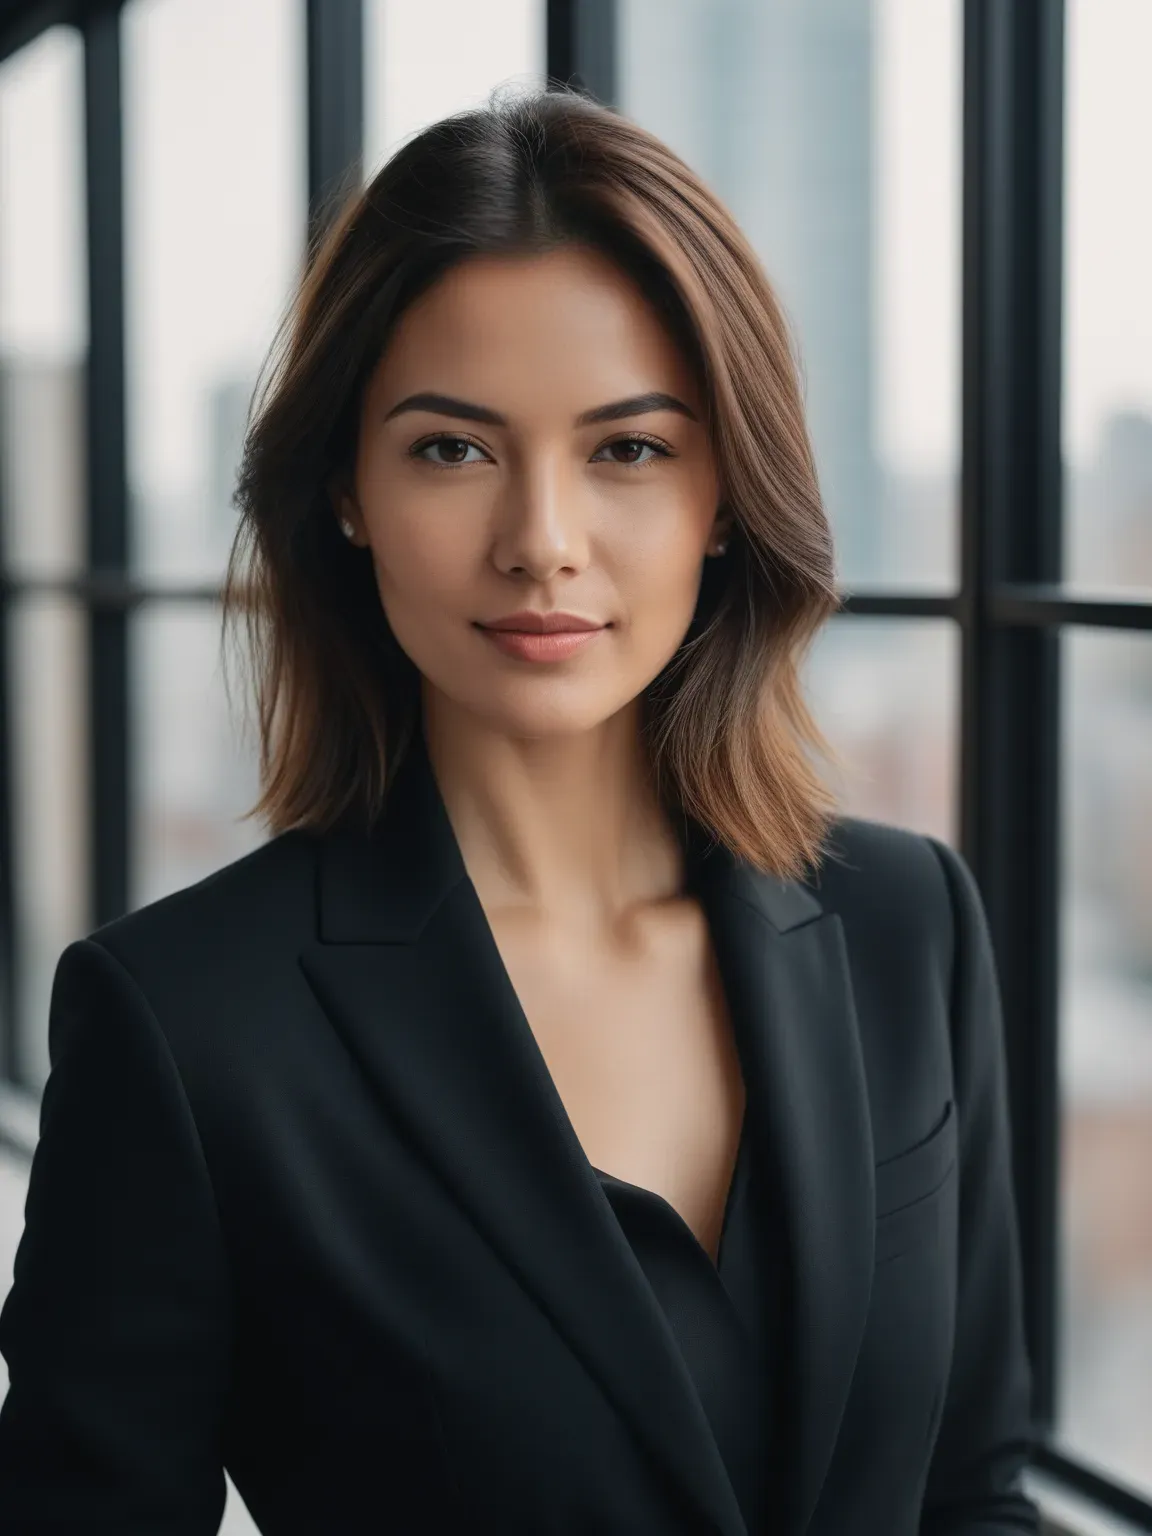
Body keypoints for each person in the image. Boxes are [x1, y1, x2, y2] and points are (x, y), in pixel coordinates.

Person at [0, 84, 1039, 1535]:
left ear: (726, 494)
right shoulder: (183, 1026)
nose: (541, 543)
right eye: (452, 448)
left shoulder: (908, 922)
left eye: (628, 449)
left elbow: (971, 1490)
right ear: (348, 490)